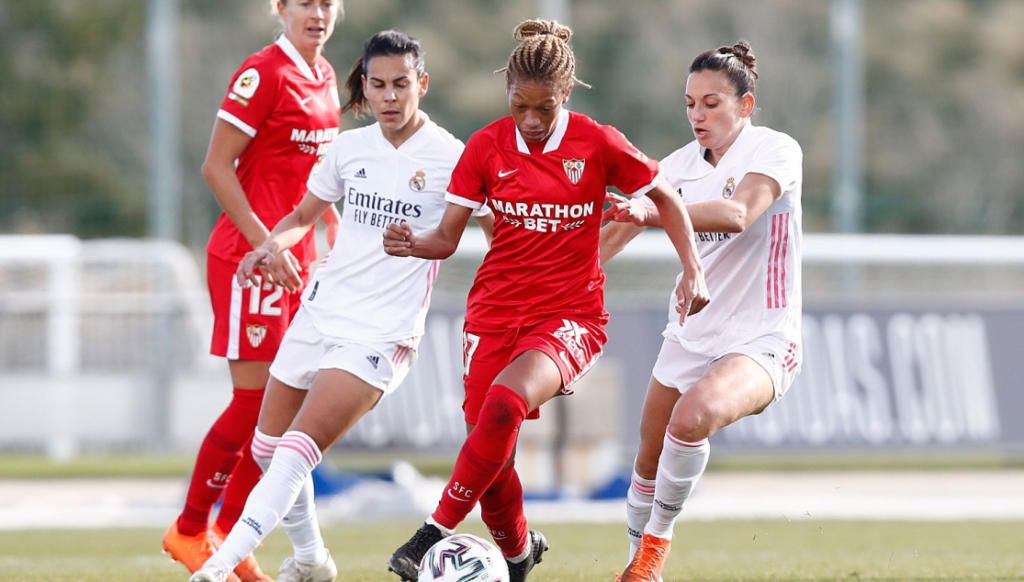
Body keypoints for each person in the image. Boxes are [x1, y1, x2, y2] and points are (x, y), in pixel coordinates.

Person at [384, 19, 710, 582]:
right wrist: (414, 244)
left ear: (565, 95)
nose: (531, 121)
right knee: (491, 463)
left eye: (545, 108)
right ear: (507, 91)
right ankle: (517, 557)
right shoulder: (486, 147)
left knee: (506, 405)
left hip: (570, 316)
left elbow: (668, 198)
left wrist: (693, 270)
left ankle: (431, 532)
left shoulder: (598, 142)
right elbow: (447, 236)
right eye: (520, 105)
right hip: (491, 315)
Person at [189, 29, 494, 582]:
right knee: (265, 447)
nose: (390, 96)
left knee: (294, 453)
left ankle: (215, 568)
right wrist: (269, 246)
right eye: (378, 85)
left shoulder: (454, 157)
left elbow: (497, 233)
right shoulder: (348, 149)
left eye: (401, 84)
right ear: (366, 88)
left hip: (381, 334)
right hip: (320, 312)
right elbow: (303, 217)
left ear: (422, 84)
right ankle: (311, 560)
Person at [600, 40, 804, 582]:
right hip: (691, 331)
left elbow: (738, 213)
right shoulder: (675, 168)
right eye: (690, 104)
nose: (698, 115)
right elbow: (615, 234)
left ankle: (651, 557)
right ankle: (636, 565)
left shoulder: (775, 150)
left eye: (712, 103)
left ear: (747, 105)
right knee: (646, 460)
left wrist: (653, 209)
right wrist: (558, 279)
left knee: (692, 419)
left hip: (762, 336)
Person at [162, 1, 344, 581]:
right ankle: (191, 529)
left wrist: (330, 234)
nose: (317, 13)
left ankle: (229, 538)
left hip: (299, 261)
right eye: (305, 2)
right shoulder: (263, 72)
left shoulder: (326, 74)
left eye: (328, 2)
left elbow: (319, 178)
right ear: (281, 8)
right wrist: (268, 245)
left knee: (282, 414)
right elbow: (216, 167)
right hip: (252, 262)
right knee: (254, 403)